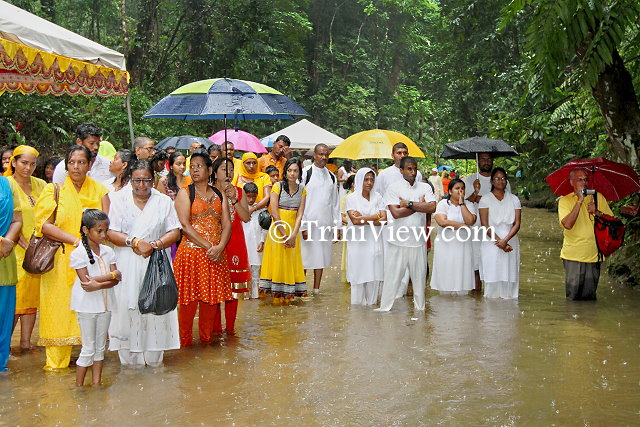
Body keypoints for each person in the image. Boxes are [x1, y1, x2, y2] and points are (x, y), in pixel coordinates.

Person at [34, 145, 109, 370]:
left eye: (81, 162)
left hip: (91, 262)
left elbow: (106, 225)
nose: (76, 167)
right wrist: (76, 241)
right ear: (66, 165)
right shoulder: (53, 190)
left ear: (89, 165)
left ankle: (89, 368)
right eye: (72, 162)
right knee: (58, 312)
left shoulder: (99, 190)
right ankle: (55, 370)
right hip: (60, 261)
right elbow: (43, 225)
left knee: (91, 312)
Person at [107, 159, 181, 366]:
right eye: (137, 181)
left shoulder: (163, 201)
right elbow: (110, 231)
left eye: (147, 180)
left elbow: (175, 230)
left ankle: (155, 359)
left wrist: (156, 244)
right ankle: (131, 363)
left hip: (157, 262)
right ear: (130, 179)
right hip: (127, 260)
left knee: (157, 306)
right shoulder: (117, 199)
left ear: (154, 179)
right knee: (126, 307)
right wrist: (135, 242)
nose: (142, 186)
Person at [173, 152, 233, 346]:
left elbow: (227, 224)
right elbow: (185, 226)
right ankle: (185, 345)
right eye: (193, 165)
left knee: (211, 302)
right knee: (188, 303)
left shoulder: (219, 194)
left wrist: (221, 247)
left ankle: (206, 344)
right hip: (191, 255)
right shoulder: (185, 192)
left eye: (200, 166)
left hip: (215, 256)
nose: (195, 169)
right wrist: (210, 247)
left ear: (209, 170)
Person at [375, 157, 436, 312]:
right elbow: (395, 213)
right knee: (392, 278)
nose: (413, 172)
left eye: (415, 168)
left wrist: (409, 203)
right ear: (401, 170)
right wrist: (419, 204)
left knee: (419, 279)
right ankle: (385, 309)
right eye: (409, 169)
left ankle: (420, 310)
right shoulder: (393, 188)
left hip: (418, 241)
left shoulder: (425, 188)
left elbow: (432, 208)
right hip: (398, 240)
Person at [70, 209, 120, 386]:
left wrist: (99, 283)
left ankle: (97, 384)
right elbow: (86, 284)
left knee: (100, 348)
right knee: (88, 348)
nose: (103, 235)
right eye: (99, 231)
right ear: (85, 230)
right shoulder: (78, 254)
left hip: (105, 305)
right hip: (87, 307)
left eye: (105, 230)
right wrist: (111, 276)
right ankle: (79, 387)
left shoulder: (108, 251)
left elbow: (116, 279)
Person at [5, 145, 46, 352]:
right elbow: (12, 219)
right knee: (15, 299)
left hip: (38, 250)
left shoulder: (40, 184)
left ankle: (25, 344)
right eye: (23, 163)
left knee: (32, 298)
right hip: (16, 250)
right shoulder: (7, 185)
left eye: (32, 164)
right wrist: (25, 246)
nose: (28, 168)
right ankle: (5, 345)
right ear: (13, 162)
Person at [375, 142, 424, 299]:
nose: (402, 155)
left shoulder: (418, 175)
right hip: (392, 222)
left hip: (414, 224)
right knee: (391, 258)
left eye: (405, 152)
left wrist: (413, 207)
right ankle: (390, 293)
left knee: (411, 258)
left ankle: (402, 293)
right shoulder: (384, 175)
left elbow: (423, 201)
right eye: (399, 153)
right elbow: (379, 198)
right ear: (392, 155)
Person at [558, 167, 613, 300]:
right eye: (579, 179)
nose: (584, 182)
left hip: (594, 254)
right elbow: (568, 224)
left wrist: (597, 212)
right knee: (573, 298)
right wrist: (579, 201)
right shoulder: (565, 201)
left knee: (589, 299)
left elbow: (611, 223)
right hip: (573, 255)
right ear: (572, 182)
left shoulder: (598, 197)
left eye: (585, 179)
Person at [260, 158, 307, 303]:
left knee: (290, 261)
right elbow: (274, 212)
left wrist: (293, 235)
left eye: (296, 171)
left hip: (293, 231)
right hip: (278, 231)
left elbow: (300, 214)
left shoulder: (302, 190)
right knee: (278, 261)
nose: (292, 174)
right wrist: (285, 235)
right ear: (285, 172)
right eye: (290, 170)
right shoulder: (277, 187)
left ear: (299, 173)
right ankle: (276, 300)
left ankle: (288, 298)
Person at [463, 153, 512, 292]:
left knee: (495, 261)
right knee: (476, 263)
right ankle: (476, 296)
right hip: (476, 227)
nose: (486, 162)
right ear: (478, 161)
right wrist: (475, 193)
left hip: (498, 227)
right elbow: (463, 202)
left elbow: (507, 200)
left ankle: (494, 294)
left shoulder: (502, 181)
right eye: (483, 159)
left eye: (489, 159)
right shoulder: (470, 180)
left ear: (492, 161)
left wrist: (482, 198)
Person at [212, 157, 250, 333]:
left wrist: (233, 199)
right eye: (223, 169)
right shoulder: (209, 192)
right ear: (214, 172)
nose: (228, 173)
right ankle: (215, 329)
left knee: (233, 290)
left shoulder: (239, 192)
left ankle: (230, 329)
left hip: (235, 242)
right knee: (214, 287)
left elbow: (245, 217)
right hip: (214, 243)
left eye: (231, 170)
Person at [300, 144, 341, 293]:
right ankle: (302, 288)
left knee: (321, 257)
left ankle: (316, 289)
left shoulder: (331, 176)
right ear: (314, 155)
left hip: (325, 223)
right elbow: (300, 200)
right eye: (320, 154)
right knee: (305, 257)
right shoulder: (305, 173)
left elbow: (335, 203)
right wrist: (303, 226)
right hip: (308, 222)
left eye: (326, 155)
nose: (323, 157)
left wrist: (337, 226)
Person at [345, 168, 386, 305]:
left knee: (374, 276)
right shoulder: (351, 198)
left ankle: (372, 313)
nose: (369, 183)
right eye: (366, 179)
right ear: (359, 180)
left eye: (372, 179)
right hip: (358, 243)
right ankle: (357, 316)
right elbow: (356, 222)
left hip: (374, 242)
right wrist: (376, 216)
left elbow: (384, 221)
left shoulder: (378, 197)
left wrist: (365, 217)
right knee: (358, 275)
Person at [478, 168, 521, 299]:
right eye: (497, 178)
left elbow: (517, 223)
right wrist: (500, 242)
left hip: (510, 239)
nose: (500, 181)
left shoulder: (514, 199)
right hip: (491, 241)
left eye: (503, 178)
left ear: (506, 181)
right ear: (492, 181)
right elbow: (485, 224)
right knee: (493, 275)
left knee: (509, 274)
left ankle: (509, 312)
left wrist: (505, 240)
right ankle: (491, 315)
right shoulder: (485, 199)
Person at [430, 179, 477, 294]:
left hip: (463, 246)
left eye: (462, 188)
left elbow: (470, 220)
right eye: (457, 188)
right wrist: (463, 226)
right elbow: (443, 222)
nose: (460, 191)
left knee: (462, 280)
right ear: (450, 191)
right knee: (446, 279)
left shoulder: (469, 205)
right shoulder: (443, 204)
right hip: (445, 245)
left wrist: (462, 204)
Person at [0, 175, 22, 372]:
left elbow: (17, 219)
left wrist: (7, 240)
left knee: (3, 314)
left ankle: (1, 365)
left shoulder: (6, 184)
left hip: (4, 256)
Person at [241, 183, 266, 299]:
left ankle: (255, 296)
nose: (251, 199)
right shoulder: (239, 210)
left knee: (256, 273)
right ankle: (245, 296)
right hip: (244, 245)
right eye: (248, 196)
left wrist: (262, 241)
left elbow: (264, 228)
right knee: (245, 272)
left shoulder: (261, 210)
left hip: (256, 245)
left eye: (253, 197)